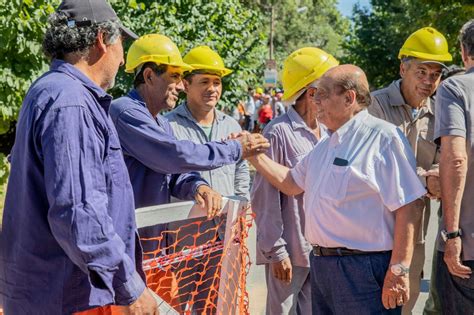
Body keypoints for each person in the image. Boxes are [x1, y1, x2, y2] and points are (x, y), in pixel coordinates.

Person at [0, 1, 158, 314]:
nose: (123, 57)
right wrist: (129, 287)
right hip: (68, 296)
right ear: (102, 39)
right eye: (121, 44)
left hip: (49, 292)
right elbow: (78, 212)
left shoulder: (49, 91)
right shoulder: (71, 102)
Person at [247, 64, 425, 314]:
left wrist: (399, 269)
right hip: (323, 266)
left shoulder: (382, 138)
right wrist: (253, 157)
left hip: (363, 270)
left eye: (322, 94)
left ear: (349, 98)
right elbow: (291, 183)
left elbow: (410, 205)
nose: (315, 101)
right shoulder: (326, 144)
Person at [109, 34, 269, 212]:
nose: (179, 86)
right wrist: (235, 148)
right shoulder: (125, 112)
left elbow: (175, 173)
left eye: (217, 82)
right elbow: (174, 156)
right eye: (175, 76)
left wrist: (198, 187)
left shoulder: (161, 123)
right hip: (130, 235)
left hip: (155, 235)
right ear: (149, 76)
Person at [368, 26, 452, 314]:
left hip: (415, 229)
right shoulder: (374, 105)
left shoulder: (440, 111)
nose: (429, 81)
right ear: (403, 68)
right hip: (374, 228)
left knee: (408, 295)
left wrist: (440, 174)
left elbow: (443, 155)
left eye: (435, 74)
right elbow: (372, 163)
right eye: (421, 72)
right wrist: (424, 179)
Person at [251, 47, 338, 314]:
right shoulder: (278, 131)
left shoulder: (327, 131)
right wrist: (276, 250)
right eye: (330, 88)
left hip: (322, 250)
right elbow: (264, 197)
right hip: (290, 250)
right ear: (312, 93)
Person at [167, 45, 250, 199]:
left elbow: (241, 170)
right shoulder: (169, 126)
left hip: (226, 220)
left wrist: (241, 205)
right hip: (186, 222)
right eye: (205, 82)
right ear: (186, 85)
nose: (212, 89)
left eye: (217, 82)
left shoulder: (231, 125)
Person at [434, 19, 474, 314]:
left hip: (468, 246)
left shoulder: (455, 87)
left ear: (463, 52)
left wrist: (452, 234)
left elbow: (456, 159)